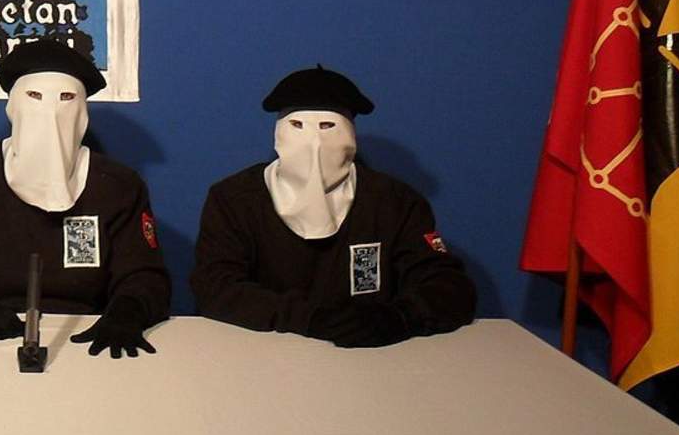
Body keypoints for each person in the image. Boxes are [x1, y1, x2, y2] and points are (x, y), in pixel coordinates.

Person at [0, 40, 170, 358]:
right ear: (14, 105)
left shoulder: (117, 186)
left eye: (66, 98)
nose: (50, 112)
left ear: (82, 111)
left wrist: (129, 310)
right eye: (35, 96)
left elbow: (145, 274)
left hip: (83, 342)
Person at [190, 65, 476, 347]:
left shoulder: (394, 202)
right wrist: (309, 318)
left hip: (371, 359)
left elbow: (449, 285)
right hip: (263, 353)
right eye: (298, 126)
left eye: (328, 126)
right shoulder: (235, 199)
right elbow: (215, 286)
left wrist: (399, 317)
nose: (314, 142)